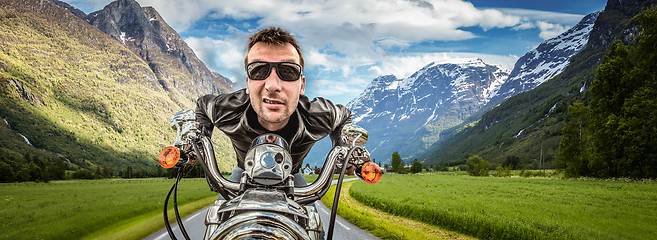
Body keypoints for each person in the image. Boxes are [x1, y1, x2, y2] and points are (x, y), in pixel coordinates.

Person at [195, 26, 352, 189]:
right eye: (258, 70)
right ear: (248, 83)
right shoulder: (227, 110)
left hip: (292, 174)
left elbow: (344, 116)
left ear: (302, 86)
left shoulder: (319, 115)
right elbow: (202, 106)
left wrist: (343, 150)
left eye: (288, 71)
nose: (272, 85)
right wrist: (200, 142)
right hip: (244, 172)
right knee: (220, 212)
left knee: (310, 213)